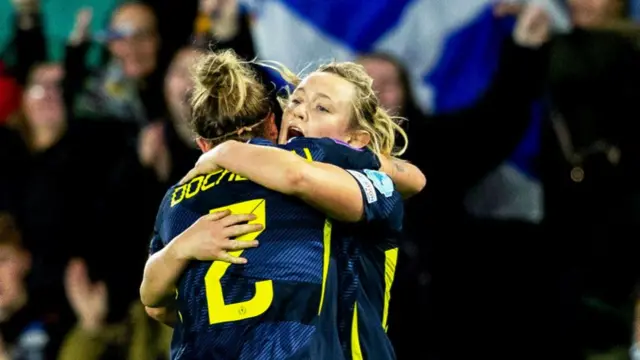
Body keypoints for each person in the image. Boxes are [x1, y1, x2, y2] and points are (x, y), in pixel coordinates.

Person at [139, 50, 419, 359]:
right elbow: (413, 179)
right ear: (274, 123)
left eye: (322, 107)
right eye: (296, 101)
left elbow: (155, 306)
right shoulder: (316, 161)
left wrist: (223, 155)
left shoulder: (179, 196)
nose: (300, 112)